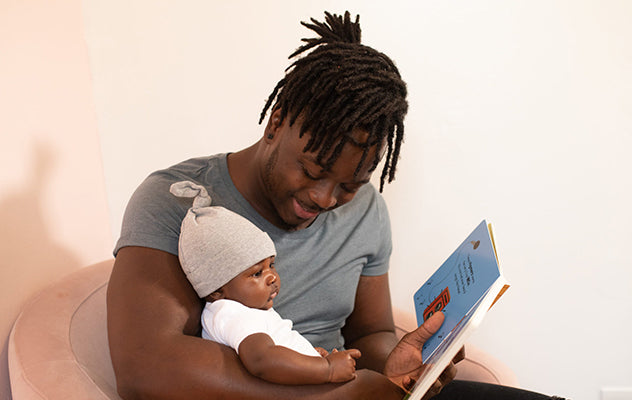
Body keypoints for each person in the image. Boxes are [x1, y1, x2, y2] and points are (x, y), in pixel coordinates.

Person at [108, 10, 565, 400]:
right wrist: (330, 393)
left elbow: (369, 336)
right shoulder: (177, 199)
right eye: (311, 171)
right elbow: (144, 365)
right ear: (278, 120)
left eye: (350, 184)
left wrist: (407, 358)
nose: (326, 199)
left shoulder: (365, 210)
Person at [170, 180, 361, 384]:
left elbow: (277, 350)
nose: (272, 277)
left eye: (272, 264)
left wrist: (307, 356)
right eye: (256, 273)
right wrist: (327, 369)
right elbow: (263, 360)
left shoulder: (248, 311)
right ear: (216, 290)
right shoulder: (230, 314)